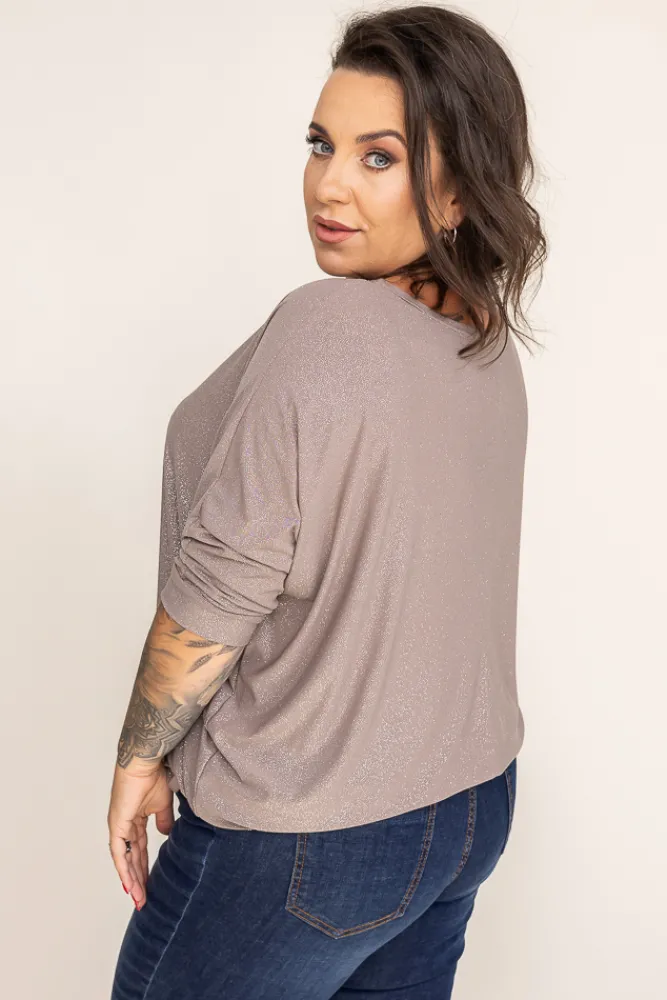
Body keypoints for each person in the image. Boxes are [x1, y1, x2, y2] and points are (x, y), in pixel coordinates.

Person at [107, 5, 547, 998]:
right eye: (320, 144)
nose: (329, 184)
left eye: (377, 157)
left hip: (308, 828)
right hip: (467, 801)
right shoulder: (483, 345)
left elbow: (224, 585)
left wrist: (139, 759)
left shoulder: (327, 325)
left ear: (455, 190)